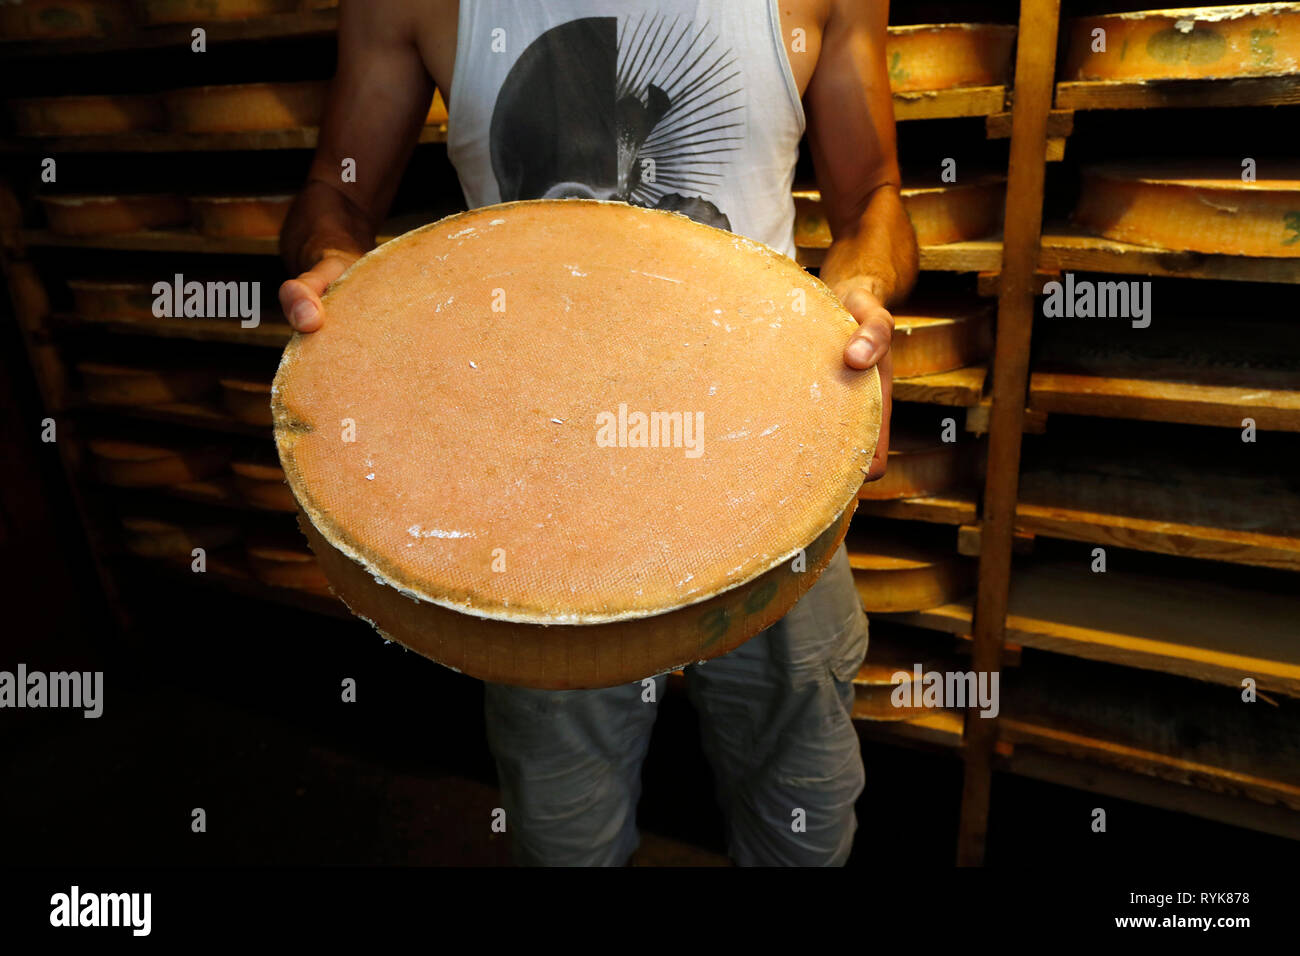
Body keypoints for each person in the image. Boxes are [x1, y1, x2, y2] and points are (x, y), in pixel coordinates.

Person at [279, 0, 918, 866]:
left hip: (768, 462)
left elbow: (872, 192)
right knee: (563, 831)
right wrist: (339, 270)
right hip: (533, 495)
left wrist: (862, 287)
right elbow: (339, 191)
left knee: (801, 810)